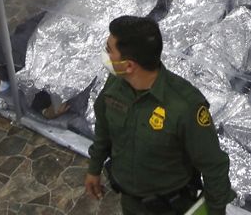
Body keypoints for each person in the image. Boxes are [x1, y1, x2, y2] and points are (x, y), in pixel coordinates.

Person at [86, 16, 234, 214]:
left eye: (109, 50)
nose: (105, 56)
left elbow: (214, 166)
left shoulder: (185, 106)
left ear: (128, 65)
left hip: (169, 206)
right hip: (130, 200)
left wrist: (215, 212)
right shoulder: (115, 85)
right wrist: (94, 168)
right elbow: (104, 130)